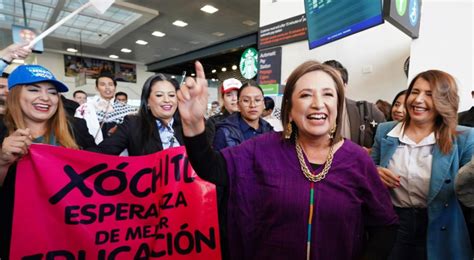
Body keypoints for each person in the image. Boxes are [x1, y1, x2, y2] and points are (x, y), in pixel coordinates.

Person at [178, 61, 398, 259]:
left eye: (328, 94)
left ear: (338, 105)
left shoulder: (357, 159)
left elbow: (385, 226)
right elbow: (212, 169)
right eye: (305, 95)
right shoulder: (262, 149)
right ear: (290, 110)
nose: (318, 104)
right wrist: (194, 126)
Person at [371, 70, 474, 260]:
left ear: (444, 100)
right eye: (414, 92)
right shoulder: (384, 131)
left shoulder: (464, 138)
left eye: (429, 94)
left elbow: (468, 193)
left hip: (442, 226)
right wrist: (374, 173)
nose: (418, 100)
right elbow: (367, 174)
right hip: (394, 224)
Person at [0, 64, 95, 259]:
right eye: (34, 89)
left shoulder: (76, 128)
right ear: (14, 94)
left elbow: (97, 172)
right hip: (15, 238)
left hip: (70, 235)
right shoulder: (1, 130)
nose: (45, 98)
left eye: (52, 92)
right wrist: (2, 161)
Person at [89, 74, 182, 155]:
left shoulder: (187, 126)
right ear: (147, 101)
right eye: (159, 95)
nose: (167, 100)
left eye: (171, 95)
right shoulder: (133, 125)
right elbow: (102, 152)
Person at [323, 60, 386, 148]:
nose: (330, 88)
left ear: (345, 86)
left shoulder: (367, 111)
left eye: (336, 83)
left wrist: (372, 152)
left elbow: (388, 143)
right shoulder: (311, 115)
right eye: (323, 84)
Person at [75, 74, 134, 144]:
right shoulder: (85, 108)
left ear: (115, 88)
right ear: (97, 88)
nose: (107, 87)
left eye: (111, 85)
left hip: (119, 149)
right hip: (92, 147)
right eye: (102, 85)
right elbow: (78, 130)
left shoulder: (128, 109)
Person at [213, 82, 273, 150]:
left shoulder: (269, 130)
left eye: (257, 100)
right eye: (246, 100)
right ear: (238, 105)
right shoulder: (224, 132)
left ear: (263, 104)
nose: (252, 105)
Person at [206, 78, 242, 143]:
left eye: (238, 94)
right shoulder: (213, 122)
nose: (234, 98)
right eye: (229, 95)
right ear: (223, 98)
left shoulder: (249, 120)